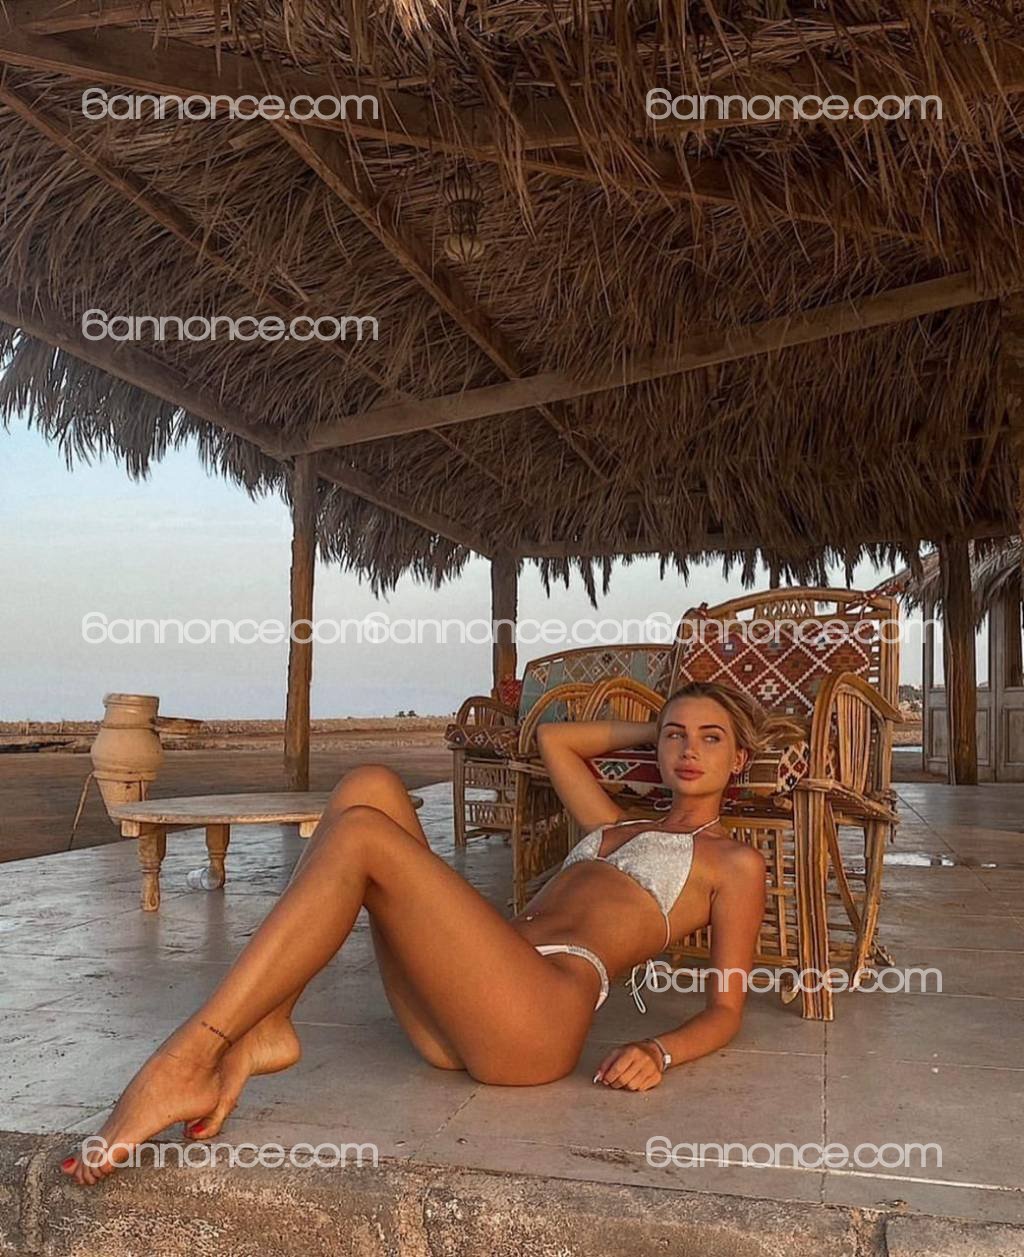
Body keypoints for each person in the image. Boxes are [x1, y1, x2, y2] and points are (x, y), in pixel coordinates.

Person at [62, 680, 778, 1186]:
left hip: (536, 1021)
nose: (689, 749)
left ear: (738, 759)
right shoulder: (611, 823)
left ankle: (189, 1059)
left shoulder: (733, 863)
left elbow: (726, 1010)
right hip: (466, 1005)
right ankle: (268, 1025)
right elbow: (555, 739)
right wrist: (657, 726)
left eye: (711, 739)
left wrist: (658, 1049)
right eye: (677, 736)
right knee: (369, 785)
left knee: (364, 835)